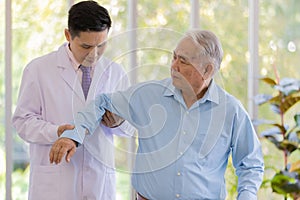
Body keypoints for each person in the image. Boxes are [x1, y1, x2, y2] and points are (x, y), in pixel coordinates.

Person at [49, 29, 264, 200]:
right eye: (174, 57)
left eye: (184, 61)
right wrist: (73, 135)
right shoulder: (148, 95)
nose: (173, 66)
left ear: (207, 70)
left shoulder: (231, 111)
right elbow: (102, 102)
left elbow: (250, 164)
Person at [12, 1, 135, 200]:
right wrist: (57, 131)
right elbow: (22, 122)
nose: (94, 54)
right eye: (86, 46)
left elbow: (131, 126)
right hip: (56, 183)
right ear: (68, 35)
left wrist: (119, 122)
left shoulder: (115, 72)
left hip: (99, 181)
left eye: (101, 45)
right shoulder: (38, 70)